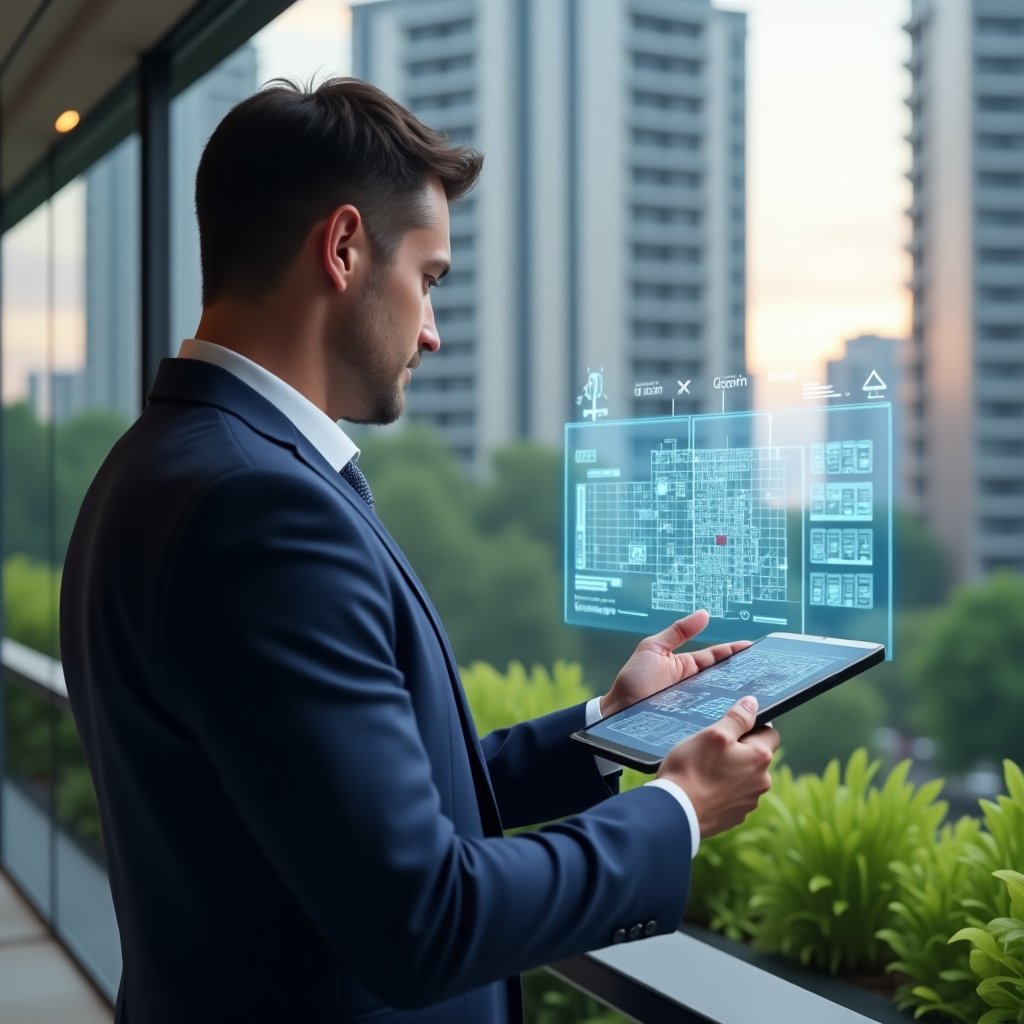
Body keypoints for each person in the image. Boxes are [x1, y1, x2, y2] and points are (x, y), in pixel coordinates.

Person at [59, 78, 779, 1024]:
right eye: (430, 278)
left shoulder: (158, 463)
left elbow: (341, 792)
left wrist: (609, 723)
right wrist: (678, 811)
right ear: (346, 247)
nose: (433, 331)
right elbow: (423, 918)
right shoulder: (258, 507)